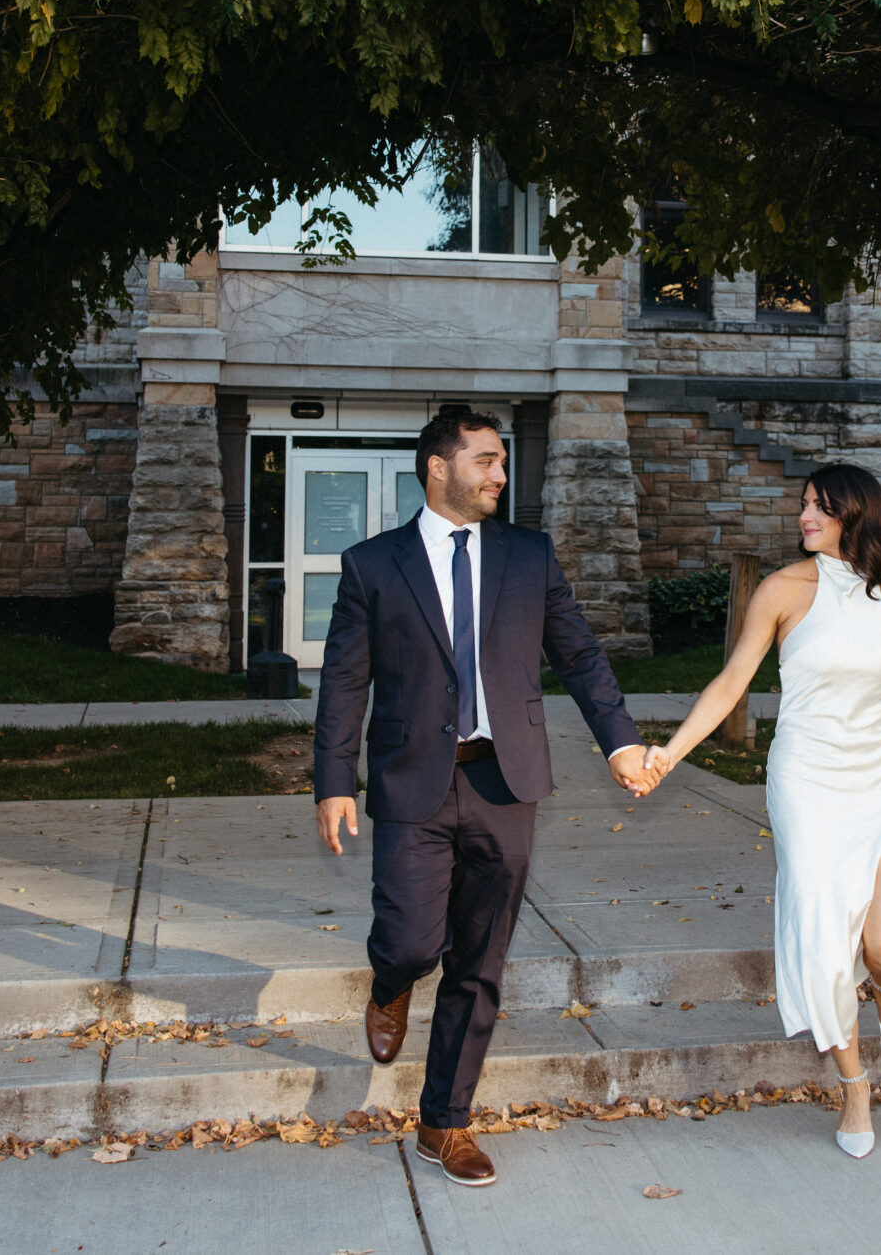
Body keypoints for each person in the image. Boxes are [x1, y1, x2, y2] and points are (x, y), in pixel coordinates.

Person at [312, 407, 656, 1187]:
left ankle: (445, 1121)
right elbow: (344, 680)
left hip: (506, 779)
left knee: (479, 959)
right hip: (413, 780)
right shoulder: (373, 565)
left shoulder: (529, 555)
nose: (501, 473)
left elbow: (579, 654)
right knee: (411, 941)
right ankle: (390, 983)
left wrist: (620, 740)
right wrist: (334, 780)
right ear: (440, 467)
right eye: (486, 460)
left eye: (502, 461)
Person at [641, 464, 881, 1158]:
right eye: (804, 505)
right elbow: (732, 681)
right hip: (808, 782)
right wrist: (668, 754)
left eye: (820, 507)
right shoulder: (782, 590)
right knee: (819, 935)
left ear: (856, 514)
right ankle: (853, 1085)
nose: (805, 517)